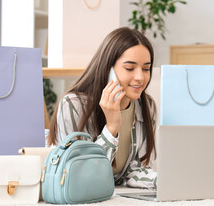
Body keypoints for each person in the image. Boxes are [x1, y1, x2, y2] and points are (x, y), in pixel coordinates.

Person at [47, 27, 157, 189]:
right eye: (130, 68)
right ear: (108, 69)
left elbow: (135, 170)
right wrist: (111, 127)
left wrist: (168, 181)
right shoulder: (73, 105)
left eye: (146, 69)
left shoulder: (147, 106)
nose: (140, 77)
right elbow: (82, 177)